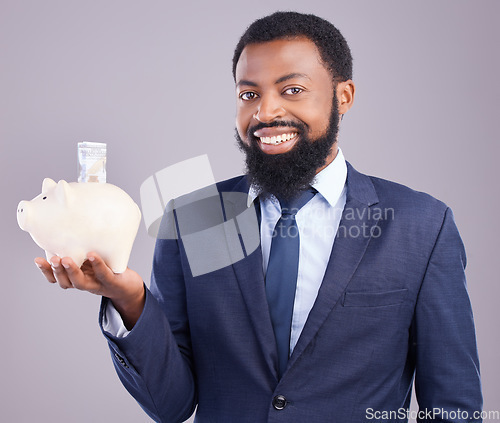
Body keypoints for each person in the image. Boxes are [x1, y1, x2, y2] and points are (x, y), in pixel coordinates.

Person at [35, 11, 482, 423]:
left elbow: (453, 406)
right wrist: (131, 301)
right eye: (249, 94)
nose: (265, 113)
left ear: (343, 96)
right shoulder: (196, 220)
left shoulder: (420, 225)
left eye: (292, 90)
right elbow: (170, 404)